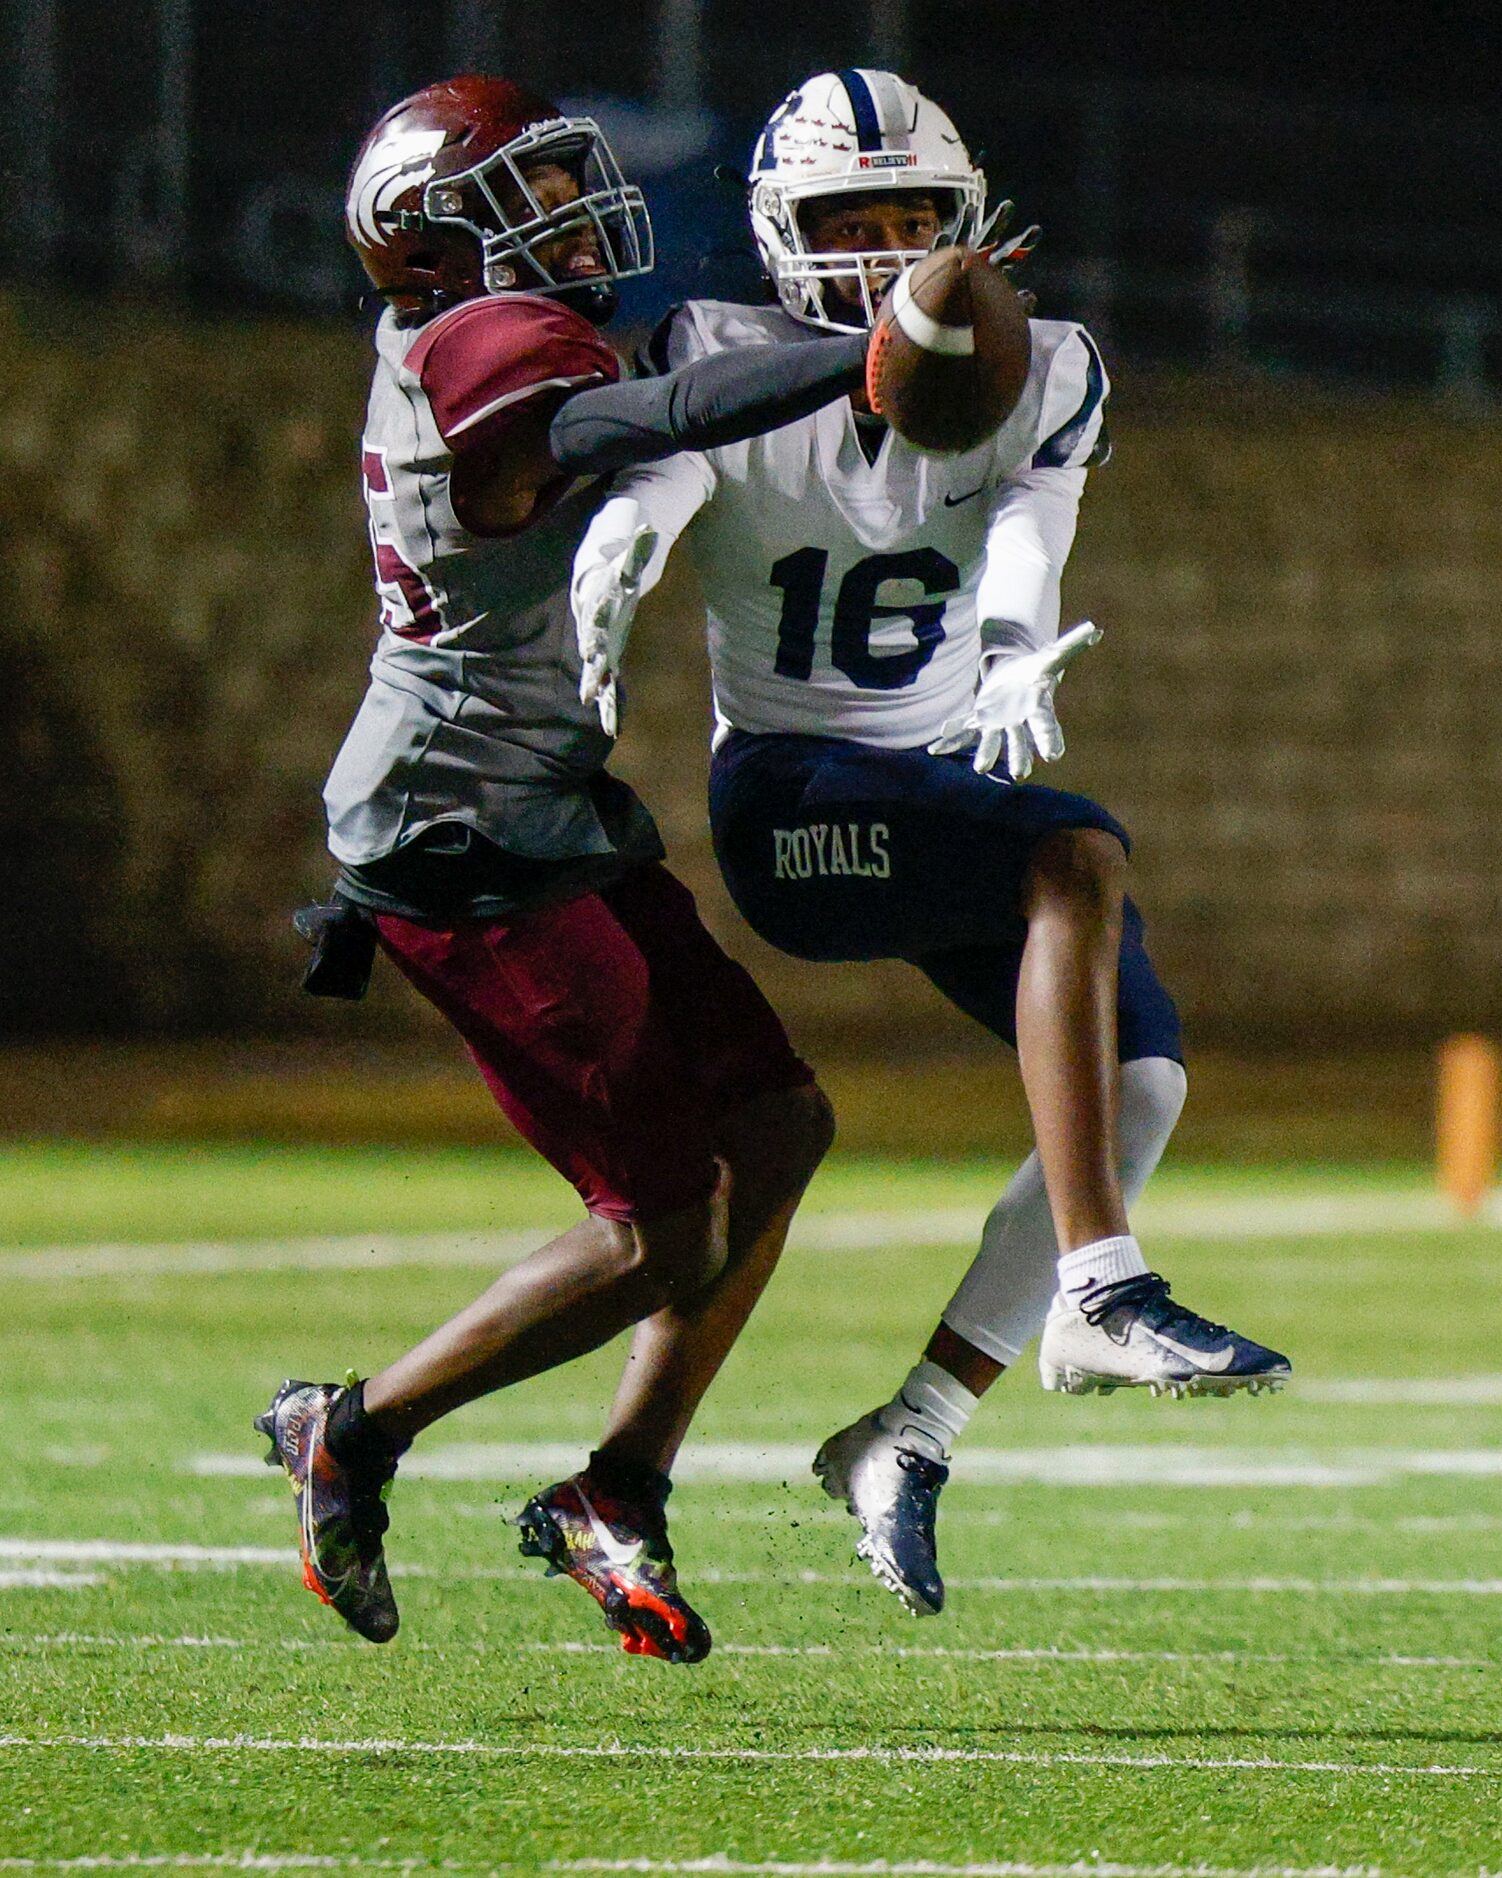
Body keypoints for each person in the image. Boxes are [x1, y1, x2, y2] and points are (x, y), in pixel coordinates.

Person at [570, 68, 1289, 1620]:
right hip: (792, 798)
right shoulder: (721, 353)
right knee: (1076, 860)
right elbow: (676, 464)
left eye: (910, 222)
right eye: (849, 223)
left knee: (1138, 1078)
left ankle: (914, 1428)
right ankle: (1101, 1285)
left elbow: (1031, 516)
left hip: (936, 782)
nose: (883, 252)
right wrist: (620, 543)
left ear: (967, 230)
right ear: (780, 234)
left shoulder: (1042, 366)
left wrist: (1018, 637)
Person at [254, 73, 891, 1664]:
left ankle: (615, 1485)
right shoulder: (479, 349)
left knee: (778, 1120)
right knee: (654, 1227)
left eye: (557, 186)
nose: (564, 218)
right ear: (433, 241)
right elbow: (642, 418)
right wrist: (871, 362)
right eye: (522, 198)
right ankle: (357, 1429)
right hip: (465, 843)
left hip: (539, 800)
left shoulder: (469, 332)